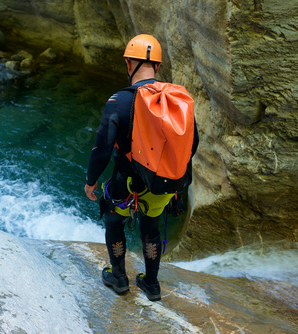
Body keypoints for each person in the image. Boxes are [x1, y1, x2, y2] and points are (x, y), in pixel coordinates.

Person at [84, 34, 199, 301]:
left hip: (127, 186)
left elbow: (101, 148)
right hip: (163, 187)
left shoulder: (118, 101)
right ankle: (151, 283)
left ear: (128, 64)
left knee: (114, 223)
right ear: (157, 67)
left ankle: (119, 277)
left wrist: (91, 181)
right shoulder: (176, 101)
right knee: (151, 229)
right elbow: (192, 144)